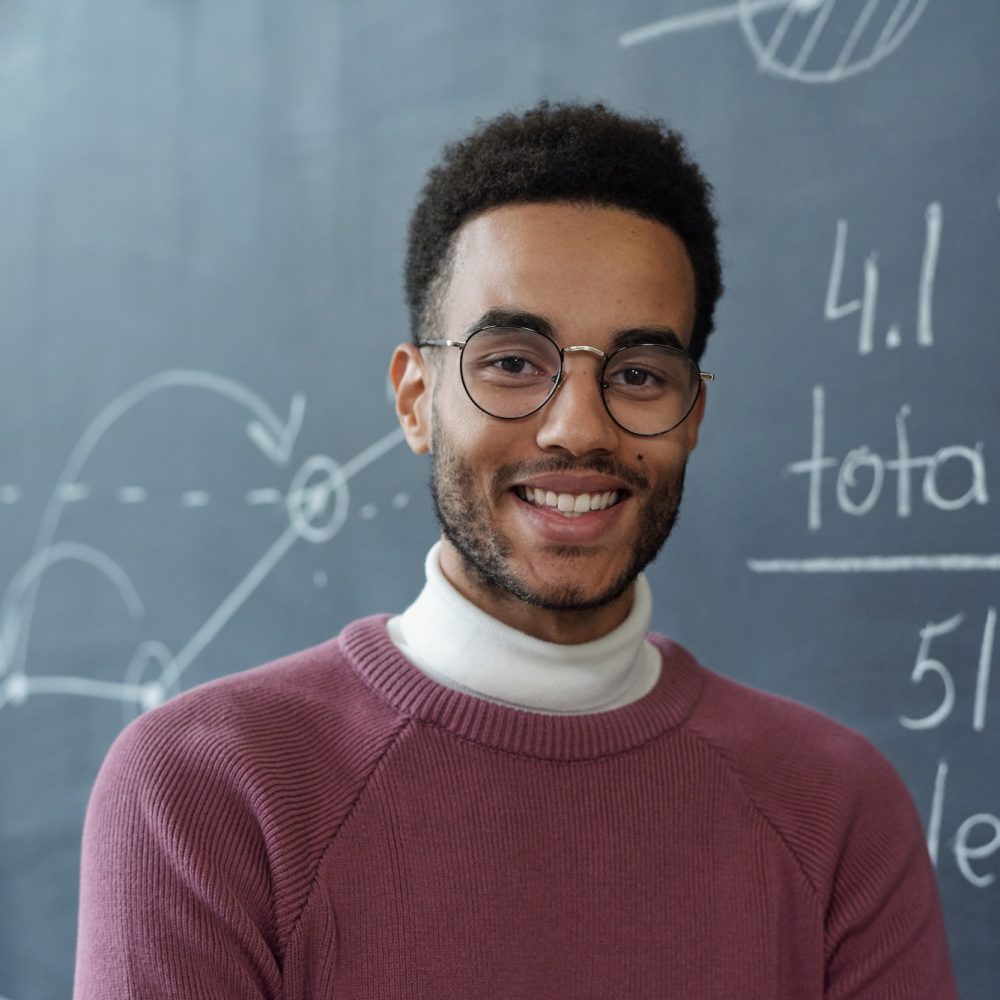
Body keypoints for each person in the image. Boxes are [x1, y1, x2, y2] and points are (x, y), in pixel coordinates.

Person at [74, 101, 957, 998]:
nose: (578, 428)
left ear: (694, 415)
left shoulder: (836, 809)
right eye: (511, 363)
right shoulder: (203, 792)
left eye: (640, 375)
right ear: (417, 401)